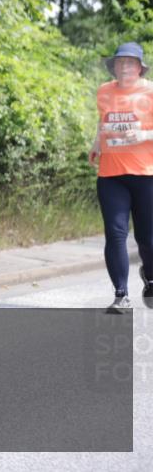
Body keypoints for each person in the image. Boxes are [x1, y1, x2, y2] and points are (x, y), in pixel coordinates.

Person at [88, 42, 153, 313]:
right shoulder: (104, 91)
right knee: (115, 234)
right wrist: (96, 142)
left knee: (148, 239)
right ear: (113, 66)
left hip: (145, 174)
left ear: (139, 67)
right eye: (119, 62)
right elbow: (105, 121)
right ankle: (121, 295)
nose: (124, 67)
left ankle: (150, 277)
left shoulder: (150, 91)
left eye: (130, 62)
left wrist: (143, 136)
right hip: (111, 173)